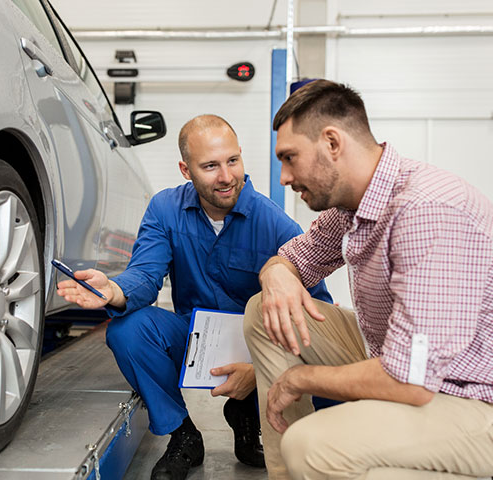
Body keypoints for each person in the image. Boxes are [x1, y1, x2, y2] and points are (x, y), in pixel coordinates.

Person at [57, 114, 332, 480]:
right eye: (210, 166)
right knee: (128, 330)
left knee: (301, 365)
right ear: (186, 170)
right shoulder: (165, 210)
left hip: (256, 348)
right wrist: (115, 290)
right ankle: (183, 433)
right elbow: (146, 273)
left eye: (233, 160)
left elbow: (318, 311)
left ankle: (247, 417)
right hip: (194, 336)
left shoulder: (275, 223)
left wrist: (259, 369)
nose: (226, 176)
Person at [243, 79, 493, 479]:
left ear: (332, 143)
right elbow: (293, 258)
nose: (284, 177)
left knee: (313, 447)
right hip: (404, 365)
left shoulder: (426, 211)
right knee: (265, 310)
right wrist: (276, 275)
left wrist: (301, 378)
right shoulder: (353, 204)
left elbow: (411, 381)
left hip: (472, 401)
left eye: (290, 158)